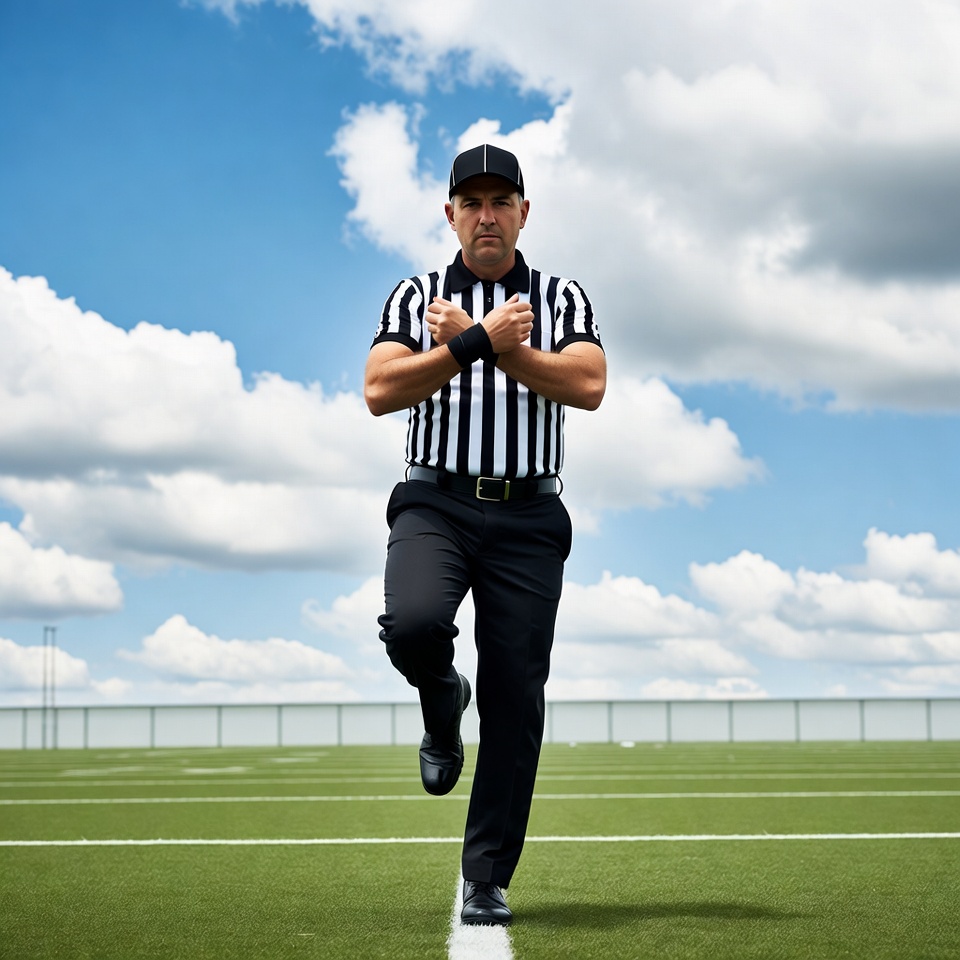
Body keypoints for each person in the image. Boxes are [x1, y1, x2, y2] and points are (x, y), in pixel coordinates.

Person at [364, 143, 606, 926]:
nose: (488, 214)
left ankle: (486, 876)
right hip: (435, 501)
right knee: (414, 624)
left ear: (524, 213)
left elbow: (589, 384)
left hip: (529, 517)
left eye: (503, 200)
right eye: (472, 202)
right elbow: (378, 389)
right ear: (451, 215)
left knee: (515, 695)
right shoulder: (418, 295)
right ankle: (441, 695)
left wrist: (508, 345)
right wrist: (472, 341)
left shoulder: (560, 296)